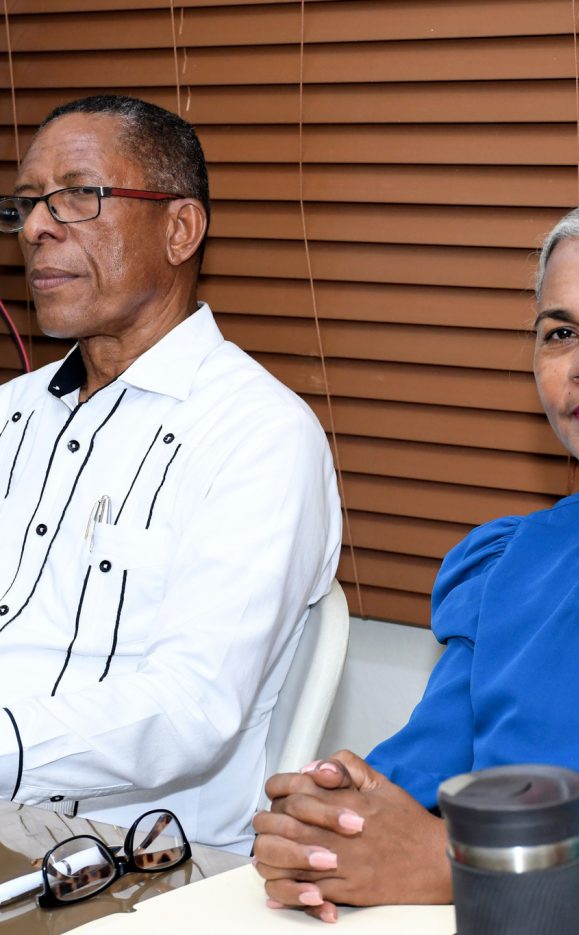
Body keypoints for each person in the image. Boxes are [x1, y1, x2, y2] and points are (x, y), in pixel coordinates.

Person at [253, 187, 579, 932]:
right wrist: (331, 819)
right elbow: (424, 765)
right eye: (561, 333)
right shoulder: (509, 561)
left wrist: (468, 859)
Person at [0, 94, 341, 854]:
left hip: (128, 864)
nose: (35, 228)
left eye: (77, 196)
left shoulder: (258, 435)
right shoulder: (8, 415)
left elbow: (191, 709)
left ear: (180, 229)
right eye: (25, 204)